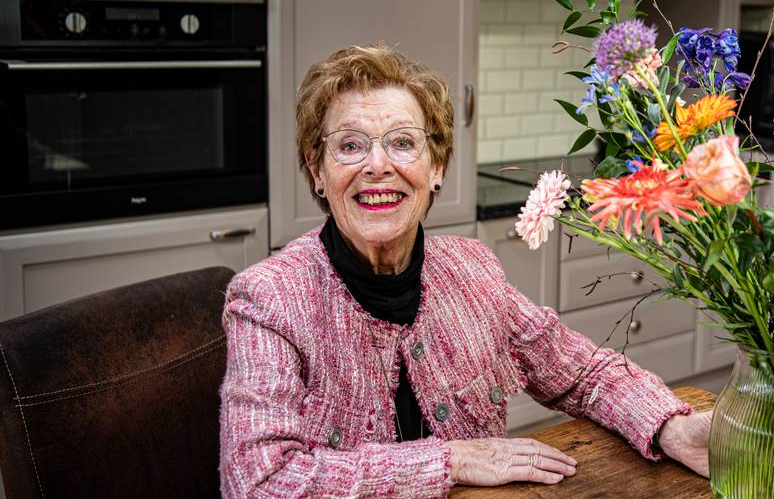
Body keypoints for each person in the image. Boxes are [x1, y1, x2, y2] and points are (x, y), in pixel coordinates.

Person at [219, 43, 712, 497]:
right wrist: (448, 460)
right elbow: (260, 482)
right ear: (316, 170)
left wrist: (670, 426)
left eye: (403, 143)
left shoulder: (471, 270)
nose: (377, 166)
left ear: (436, 168)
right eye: (349, 145)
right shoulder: (270, 299)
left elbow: (582, 374)